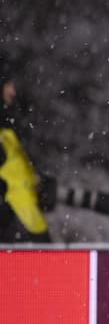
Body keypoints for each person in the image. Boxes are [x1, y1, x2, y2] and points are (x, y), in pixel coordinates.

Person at [0, 59, 52, 243]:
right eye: (8, 86)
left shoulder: (12, 123)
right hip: (14, 213)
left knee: (44, 260)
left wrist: (40, 183)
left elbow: (19, 164)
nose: (12, 92)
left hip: (25, 213)